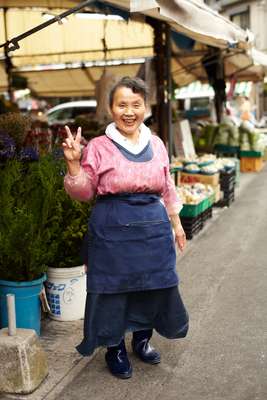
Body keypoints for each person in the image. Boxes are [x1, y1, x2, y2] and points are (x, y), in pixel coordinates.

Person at [63, 77, 189, 379]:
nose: (129, 111)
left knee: (154, 287)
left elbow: (167, 186)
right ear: (110, 108)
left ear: (146, 107)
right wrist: (73, 165)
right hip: (111, 232)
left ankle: (142, 340)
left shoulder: (156, 143)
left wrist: (177, 224)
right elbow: (84, 193)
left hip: (153, 231)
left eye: (136, 104)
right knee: (113, 293)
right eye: (122, 105)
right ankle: (115, 348)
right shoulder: (98, 147)